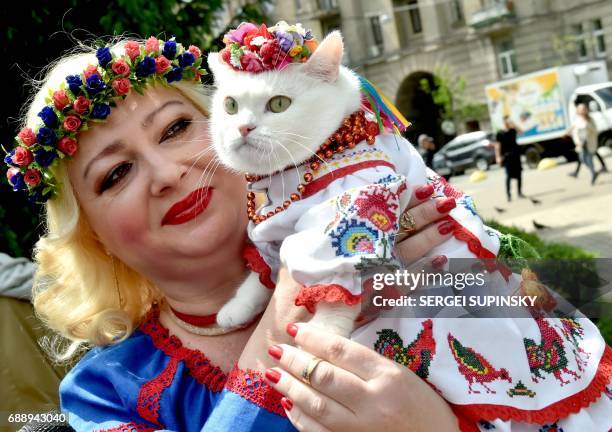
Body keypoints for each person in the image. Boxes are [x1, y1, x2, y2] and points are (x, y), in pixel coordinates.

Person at [5, 35, 610, 432]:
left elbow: (573, 387)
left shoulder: (416, 241)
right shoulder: (105, 394)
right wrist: (300, 292)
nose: (166, 174)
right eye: (115, 174)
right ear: (95, 238)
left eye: (174, 128)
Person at [568, 103, 606, 184]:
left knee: (588, 159)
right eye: (580, 110)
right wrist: (577, 141)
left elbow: (594, 131)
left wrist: (587, 125)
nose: (582, 111)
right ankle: (593, 172)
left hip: (589, 143)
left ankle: (593, 173)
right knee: (583, 159)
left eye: (583, 109)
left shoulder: (590, 119)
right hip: (581, 144)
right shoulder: (577, 120)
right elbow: (575, 130)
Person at [495, 115, 524, 201]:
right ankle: (508, 195)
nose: (507, 122)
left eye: (508, 121)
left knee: (519, 174)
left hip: (516, 155)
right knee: (508, 176)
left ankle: (519, 192)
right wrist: (498, 157)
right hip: (507, 157)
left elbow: (521, 132)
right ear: (503, 122)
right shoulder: (500, 133)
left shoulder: (513, 130)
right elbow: (498, 146)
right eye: (505, 121)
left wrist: (513, 123)